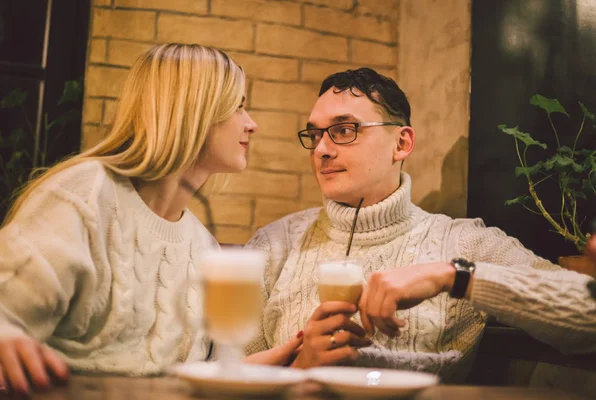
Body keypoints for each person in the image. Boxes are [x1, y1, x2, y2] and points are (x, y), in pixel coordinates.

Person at [244, 68, 596, 383]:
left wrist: (455, 276)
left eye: (343, 130)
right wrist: (296, 370)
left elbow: (587, 319)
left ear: (402, 143)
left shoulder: (466, 242)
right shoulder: (275, 244)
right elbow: (225, 370)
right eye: (315, 134)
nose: (321, 149)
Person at [0, 43, 301, 395]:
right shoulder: (85, 195)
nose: (252, 124)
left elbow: (194, 378)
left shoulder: (203, 245)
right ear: (194, 110)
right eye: (239, 106)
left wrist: (291, 356)